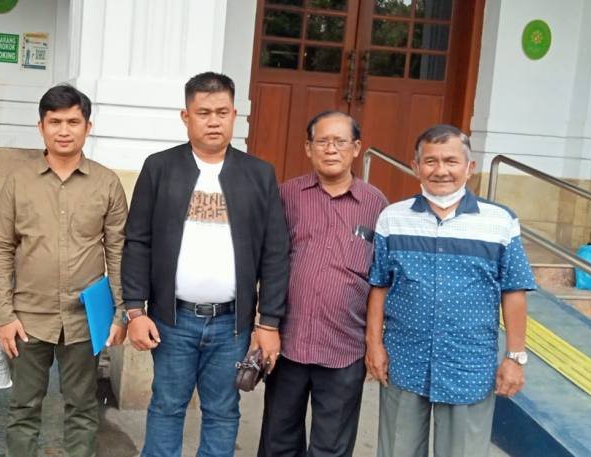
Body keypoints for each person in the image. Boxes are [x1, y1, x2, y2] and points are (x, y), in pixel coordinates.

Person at [122, 72, 290, 456]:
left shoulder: (258, 174)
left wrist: (268, 323)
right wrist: (135, 310)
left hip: (232, 324)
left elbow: (275, 253)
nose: (214, 121)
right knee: (167, 406)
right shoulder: (160, 168)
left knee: (223, 411)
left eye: (222, 112)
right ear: (186, 117)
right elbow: (138, 242)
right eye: (203, 113)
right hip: (172, 320)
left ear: (235, 115)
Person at [365, 124, 536, 457]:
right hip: (405, 359)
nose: (440, 170)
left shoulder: (499, 222)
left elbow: (514, 291)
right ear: (416, 166)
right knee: (397, 449)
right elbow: (379, 286)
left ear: (469, 167)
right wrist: (374, 345)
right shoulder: (392, 218)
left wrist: (515, 357)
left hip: (468, 364)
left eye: (451, 161)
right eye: (430, 161)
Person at [0, 84, 128, 457]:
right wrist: (4, 314)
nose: (64, 131)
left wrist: (120, 313)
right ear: (41, 127)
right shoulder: (19, 182)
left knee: (82, 407)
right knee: (23, 408)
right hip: (27, 318)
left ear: (88, 127)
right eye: (55, 122)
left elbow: (117, 251)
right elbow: (0, 249)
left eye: (73, 122)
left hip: (84, 319)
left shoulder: (107, 183)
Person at [258, 111, 387, 457]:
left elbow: (382, 278)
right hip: (289, 342)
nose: (331, 149)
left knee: (332, 447)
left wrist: (374, 342)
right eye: (322, 141)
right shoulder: (287, 195)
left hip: (344, 346)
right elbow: (266, 259)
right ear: (308, 148)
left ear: (356, 148)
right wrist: (262, 325)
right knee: (279, 440)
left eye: (340, 142)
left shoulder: (376, 204)